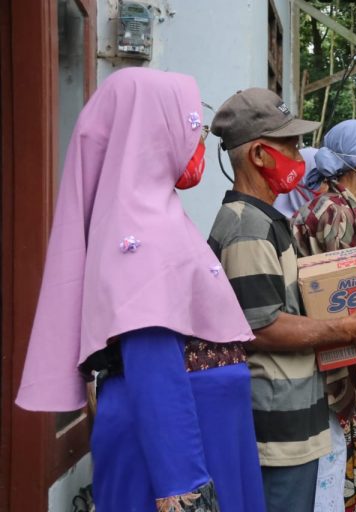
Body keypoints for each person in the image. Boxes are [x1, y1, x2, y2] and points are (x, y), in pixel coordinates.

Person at [15, 68, 267, 511]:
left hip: (202, 436)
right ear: (155, 130)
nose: (200, 141)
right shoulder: (141, 231)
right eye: (194, 127)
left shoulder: (150, 216)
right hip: (183, 453)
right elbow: (154, 367)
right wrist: (184, 489)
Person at [209, 90, 356, 512]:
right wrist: (349, 329)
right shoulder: (248, 229)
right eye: (291, 145)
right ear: (261, 155)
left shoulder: (266, 219)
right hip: (276, 426)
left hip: (295, 413)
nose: (301, 155)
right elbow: (260, 326)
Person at [291, 119, 356, 512]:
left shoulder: (341, 206)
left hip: (326, 353)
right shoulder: (337, 211)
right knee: (327, 464)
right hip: (325, 360)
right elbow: (336, 298)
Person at [273, 147, 328, 218]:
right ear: (300, 180)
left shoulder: (327, 217)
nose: (329, 187)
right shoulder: (276, 223)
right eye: (324, 181)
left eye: (333, 179)